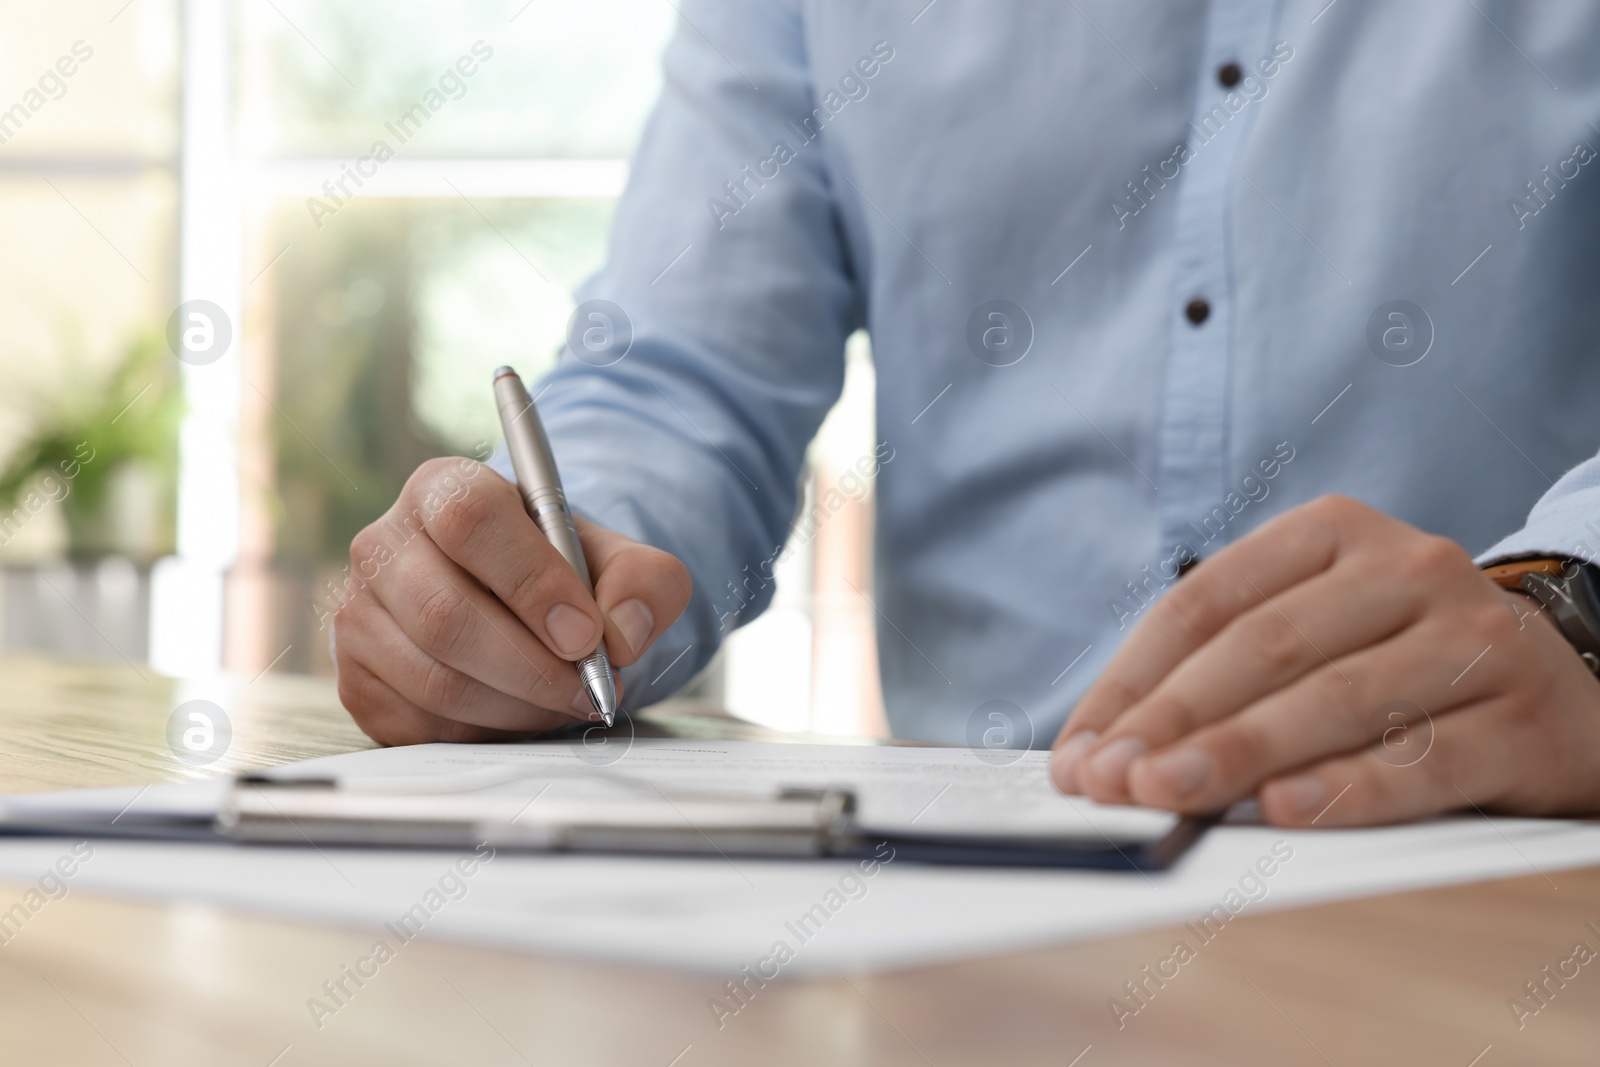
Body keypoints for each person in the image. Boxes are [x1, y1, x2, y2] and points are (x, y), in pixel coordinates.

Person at [331, 2, 1600, 826]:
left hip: (1495, 856)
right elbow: (678, 373)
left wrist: (1564, 605)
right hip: (977, 897)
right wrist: (542, 579)